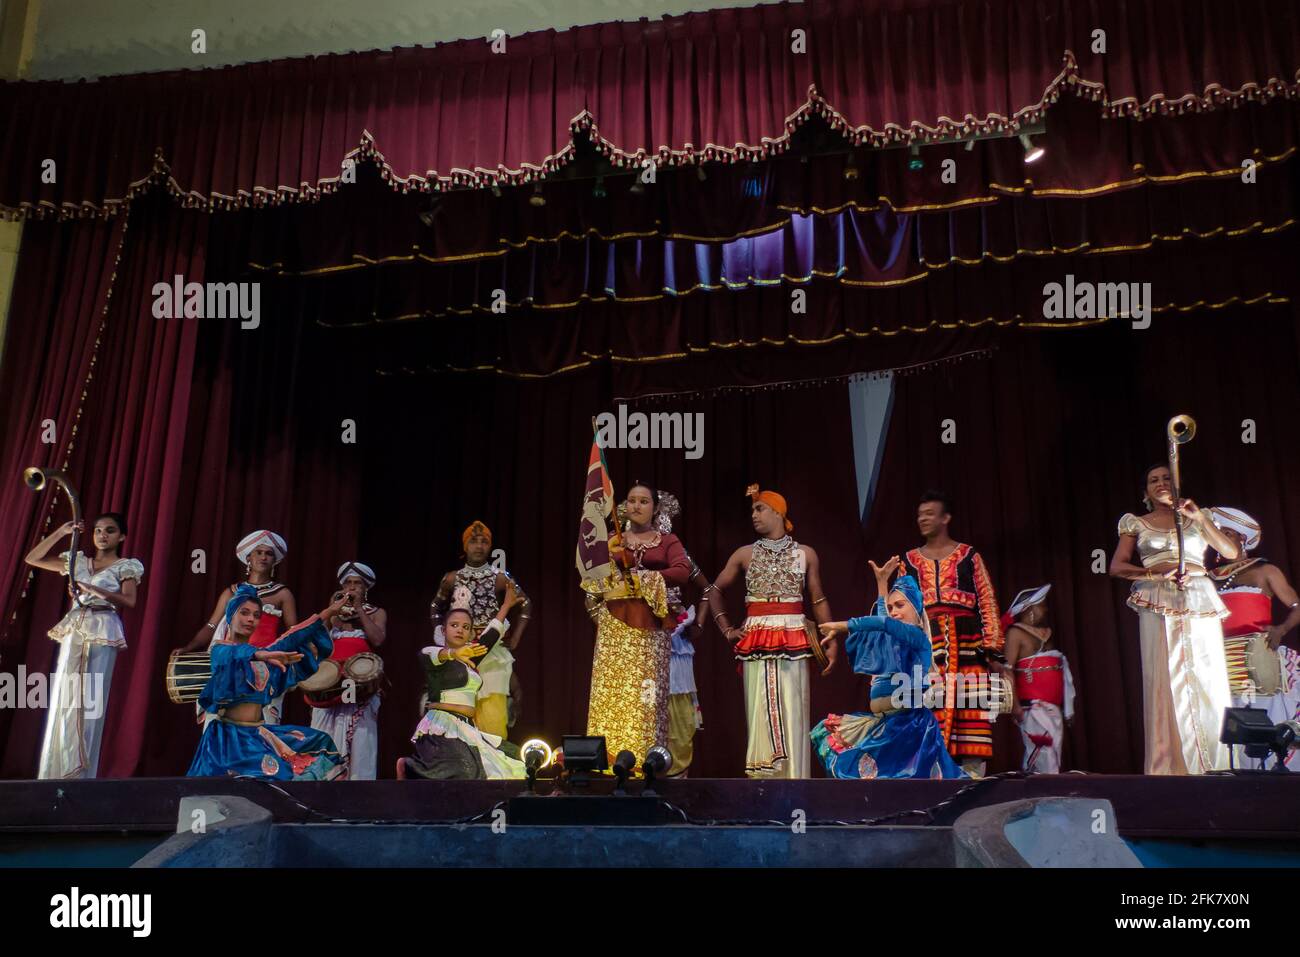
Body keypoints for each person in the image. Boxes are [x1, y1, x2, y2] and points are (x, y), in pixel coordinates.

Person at [1109, 465, 1237, 774]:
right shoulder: (1135, 523)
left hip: (1197, 596)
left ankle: (1216, 763)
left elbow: (1230, 552)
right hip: (1157, 596)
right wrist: (1154, 574)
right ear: (1146, 491)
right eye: (1154, 480)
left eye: (1167, 478)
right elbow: (1116, 567)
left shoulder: (1197, 516)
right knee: (1164, 677)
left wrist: (1200, 519)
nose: (1161, 483)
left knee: (1208, 676)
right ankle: (1170, 765)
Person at [709, 485, 838, 779]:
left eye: (759, 508)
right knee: (759, 712)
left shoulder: (805, 554)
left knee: (795, 709)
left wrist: (831, 639)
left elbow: (818, 599)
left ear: (778, 512)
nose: (753, 515)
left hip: (794, 635)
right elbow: (714, 591)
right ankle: (764, 784)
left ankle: (796, 784)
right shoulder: (744, 554)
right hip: (756, 637)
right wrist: (727, 629)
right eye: (752, 510)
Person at [811, 559, 965, 779]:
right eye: (891, 607)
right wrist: (881, 584)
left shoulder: (917, 637)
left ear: (916, 609)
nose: (893, 612)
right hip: (886, 724)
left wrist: (844, 626)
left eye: (900, 606)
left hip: (909, 727)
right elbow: (884, 619)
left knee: (901, 784)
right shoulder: (890, 642)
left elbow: (885, 623)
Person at [578, 482, 692, 766]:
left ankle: (643, 761)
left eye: (643, 502)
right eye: (631, 501)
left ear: (655, 509)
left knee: (646, 691)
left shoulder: (667, 541)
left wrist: (646, 579)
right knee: (612, 691)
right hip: (615, 628)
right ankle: (606, 760)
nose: (637, 506)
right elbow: (593, 576)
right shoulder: (613, 540)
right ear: (624, 506)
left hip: (649, 627)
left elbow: (682, 571)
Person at [25, 512, 143, 779]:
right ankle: (54, 773)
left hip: (103, 627)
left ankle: (81, 777)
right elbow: (33, 559)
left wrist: (93, 589)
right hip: (75, 627)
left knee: (91, 701)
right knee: (64, 698)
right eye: (98, 530)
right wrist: (61, 532)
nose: (103, 535)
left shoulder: (126, 566)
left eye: (110, 531)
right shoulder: (78, 561)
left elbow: (129, 600)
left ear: (121, 536)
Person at [187, 585, 346, 780]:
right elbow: (233, 654)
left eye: (255, 615)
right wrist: (259, 654)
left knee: (321, 742)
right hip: (231, 740)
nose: (250, 619)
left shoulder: (264, 657)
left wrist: (328, 613)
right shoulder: (221, 651)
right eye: (244, 613)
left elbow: (294, 636)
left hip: (256, 734)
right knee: (272, 779)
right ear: (230, 616)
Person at [900, 490, 1004, 777]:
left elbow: (987, 600)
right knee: (926, 709)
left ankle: (971, 783)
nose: (923, 519)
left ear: (945, 518)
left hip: (968, 642)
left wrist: (992, 646)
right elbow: (901, 607)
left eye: (929, 514)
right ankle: (929, 784)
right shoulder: (907, 561)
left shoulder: (969, 556)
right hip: (927, 644)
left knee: (970, 712)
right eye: (920, 515)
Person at [399, 584, 525, 780]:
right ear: (443, 630)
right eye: (454, 625)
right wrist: (453, 653)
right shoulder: (436, 657)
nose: (460, 630)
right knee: (465, 771)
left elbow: (490, 636)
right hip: (443, 727)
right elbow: (426, 654)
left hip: (467, 727)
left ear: (471, 633)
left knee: (513, 759)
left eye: (466, 627)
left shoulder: (470, 659)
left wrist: (506, 606)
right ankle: (410, 767)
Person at [1207, 507, 1300, 768]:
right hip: (1218, 658)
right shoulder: (1207, 578)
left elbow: (1296, 606)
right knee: (1228, 721)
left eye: (1226, 533)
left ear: (1242, 539)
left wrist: (1281, 630)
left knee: (1263, 719)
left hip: (1258, 654)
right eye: (1216, 534)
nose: (1220, 538)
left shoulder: (1265, 570)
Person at [178, 530, 297, 724]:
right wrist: (189, 647)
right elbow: (211, 625)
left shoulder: (282, 594)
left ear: (274, 561)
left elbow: (293, 632)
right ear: (248, 558)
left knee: (262, 722)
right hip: (231, 662)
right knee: (221, 717)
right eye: (259, 552)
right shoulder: (231, 592)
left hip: (264, 665)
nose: (264, 557)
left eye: (269, 554)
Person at [430, 521, 531, 739]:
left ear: (490, 547)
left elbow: (525, 603)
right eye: (473, 541)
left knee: (493, 714)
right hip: (460, 652)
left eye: (484, 542)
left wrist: (515, 640)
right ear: (465, 546)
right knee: (457, 710)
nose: (478, 546)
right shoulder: (452, 578)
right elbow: (435, 607)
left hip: (492, 651)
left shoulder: (500, 577)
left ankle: (493, 765)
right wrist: (440, 633)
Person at [310, 562, 387, 780]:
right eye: (348, 583)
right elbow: (316, 644)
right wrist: (330, 610)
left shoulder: (376, 613)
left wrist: (360, 609)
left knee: (360, 738)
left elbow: (378, 639)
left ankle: (357, 793)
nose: (352, 588)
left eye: (357, 584)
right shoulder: (334, 615)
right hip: (330, 686)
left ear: (366, 588)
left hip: (358, 687)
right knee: (326, 735)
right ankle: (323, 788)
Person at [1001, 585, 1075, 773]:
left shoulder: (1047, 632)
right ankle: (1043, 794)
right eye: (1041, 605)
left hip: (1053, 707)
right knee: (1042, 753)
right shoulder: (1015, 633)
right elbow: (1006, 671)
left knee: (1053, 755)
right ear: (1029, 609)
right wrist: (1014, 706)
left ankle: (1046, 793)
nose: (1045, 609)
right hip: (1032, 708)